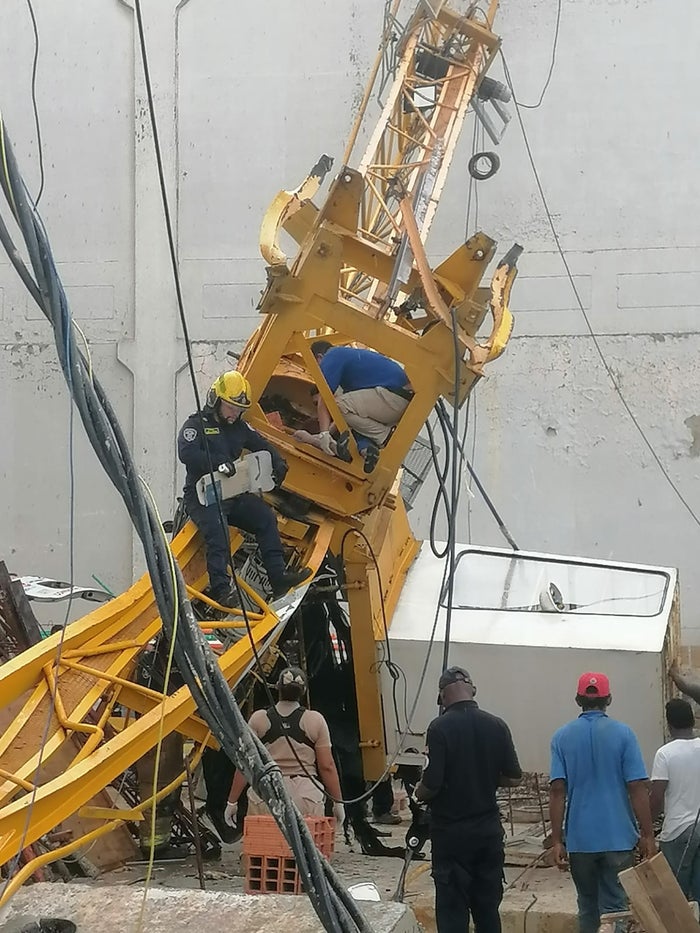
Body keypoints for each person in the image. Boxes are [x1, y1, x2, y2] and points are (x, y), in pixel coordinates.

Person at [177, 371, 310, 605]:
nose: (234, 414)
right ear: (216, 401)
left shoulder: (239, 428)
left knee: (265, 518)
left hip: (231, 493)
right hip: (203, 497)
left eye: (239, 410)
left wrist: (278, 462)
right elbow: (186, 453)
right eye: (230, 408)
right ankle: (221, 589)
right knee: (217, 534)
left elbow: (261, 444)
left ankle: (278, 578)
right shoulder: (196, 425)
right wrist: (215, 463)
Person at [413, 666, 522, 933]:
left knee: (452, 913)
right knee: (487, 910)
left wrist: (417, 792)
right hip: (487, 834)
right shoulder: (497, 725)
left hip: (451, 837)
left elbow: (432, 784)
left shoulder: (439, 728)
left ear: (442, 697)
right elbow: (514, 777)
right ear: (472, 689)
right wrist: (484, 777)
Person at [549, 672, 655, 933]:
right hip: (618, 839)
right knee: (615, 907)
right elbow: (636, 788)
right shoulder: (624, 734)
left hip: (580, 840)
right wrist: (648, 834)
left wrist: (557, 841)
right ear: (609, 698)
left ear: (578, 699)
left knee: (587, 905)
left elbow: (557, 791)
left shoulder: (561, 737)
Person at [224, 667, 345, 826]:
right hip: (306, 795)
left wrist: (232, 802)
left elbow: (246, 764)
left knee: (265, 848)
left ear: (278, 688)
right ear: (303, 691)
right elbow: (327, 766)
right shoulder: (315, 720)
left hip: (267, 795)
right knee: (308, 849)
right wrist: (338, 803)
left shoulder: (259, 719)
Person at [304, 341, 413, 473]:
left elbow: (325, 397)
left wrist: (323, 434)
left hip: (392, 397)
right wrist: (325, 435)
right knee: (356, 423)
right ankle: (367, 451)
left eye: (315, 365)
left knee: (339, 405)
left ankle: (383, 435)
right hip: (396, 403)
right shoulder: (355, 366)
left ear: (320, 357)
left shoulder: (333, 355)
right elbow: (343, 418)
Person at [650, 697, 700, 903]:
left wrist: (646, 827)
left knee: (676, 897)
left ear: (669, 724)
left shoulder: (665, 754)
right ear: (692, 721)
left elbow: (657, 796)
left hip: (677, 831)